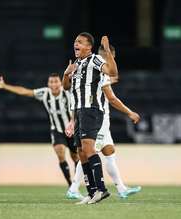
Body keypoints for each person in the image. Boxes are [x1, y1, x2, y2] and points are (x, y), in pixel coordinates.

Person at [66, 44, 142, 200]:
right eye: (111, 58)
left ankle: (121, 188)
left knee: (109, 152)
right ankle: (75, 188)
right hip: (96, 119)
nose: (112, 61)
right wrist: (129, 112)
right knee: (88, 151)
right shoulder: (98, 68)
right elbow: (112, 99)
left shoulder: (92, 70)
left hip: (101, 119)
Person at [0, 73, 80, 190]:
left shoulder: (67, 92)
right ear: (48, 84)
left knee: (76, 157)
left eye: (56, 81)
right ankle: (71, 185)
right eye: (51, 82)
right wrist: (4, 86)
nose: (54, 84)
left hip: (71, 130)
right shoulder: (45, 93)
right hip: (56, 130)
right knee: (60, 152)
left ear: (60, 82)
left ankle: (77, 182)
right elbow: (24, 91)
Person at [62, 33, 118, 204]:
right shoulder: (76, 64)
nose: (75, 44)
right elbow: (66, 87)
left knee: (88, 149)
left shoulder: (94, 60)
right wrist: (66, 74)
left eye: (79, 42)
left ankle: (102, 189)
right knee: (80, 152)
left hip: (91, 109)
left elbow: (112, 71)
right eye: (75, 42)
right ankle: (91, 191)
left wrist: (107, 50)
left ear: (89, 46)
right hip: (79, 111)